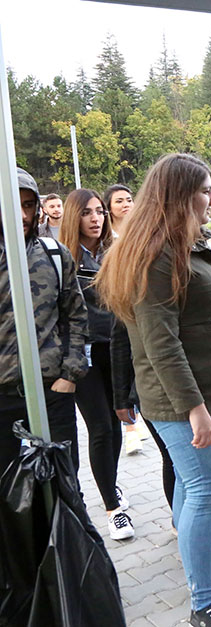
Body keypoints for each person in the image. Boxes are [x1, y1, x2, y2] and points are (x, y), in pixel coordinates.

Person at [97, 153, 211, 627]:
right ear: (179, 196)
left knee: (192, 486)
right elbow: (161, 345)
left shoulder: (187, 245)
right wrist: (194, 409)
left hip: (209, 390)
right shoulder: (156, 255)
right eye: (204, 190)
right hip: (184, 400)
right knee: (207, 490)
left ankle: (200, 568)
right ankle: (204, 605)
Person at [0, 168, 87, 475]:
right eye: (12, 204)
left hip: (52, 393)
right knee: (11, 503)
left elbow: (75, 315)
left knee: (64, 487)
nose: (22, 215)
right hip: (3, 400)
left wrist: (70, 375)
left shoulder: (54, 254)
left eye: (27, 205)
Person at [59, 188, 135, 540]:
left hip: (116, 349)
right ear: (74, 217)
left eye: (99, 211)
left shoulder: (115, 250)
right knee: (100, 428)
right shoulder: (61, 259)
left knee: (116, 425)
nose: (96, 218)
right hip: (81, 353)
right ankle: (112, 508)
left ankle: (111, 484)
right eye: (87, 212)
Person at [103, 184, 147, 455]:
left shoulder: (141, 233)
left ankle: (135, 424)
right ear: (109, 207)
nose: (126, 204)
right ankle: (130, 428)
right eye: (119, 201)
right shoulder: (108, 241)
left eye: (129, 199)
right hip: (117, 314)